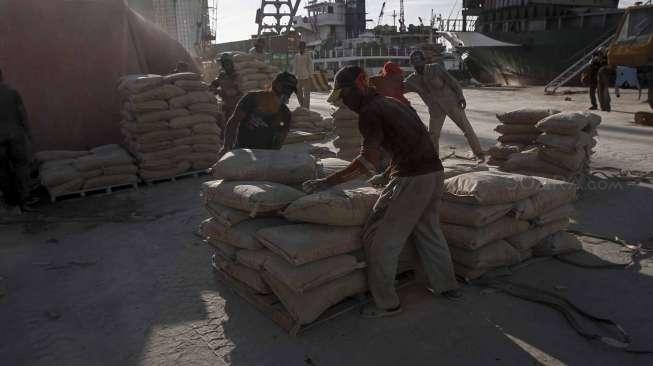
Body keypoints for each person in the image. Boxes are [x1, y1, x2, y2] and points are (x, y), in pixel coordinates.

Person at [303, 66, 460, 318]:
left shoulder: (369, 112)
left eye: (345, 95)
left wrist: (327, 182)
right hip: (434, 172)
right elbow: (412, 141)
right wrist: (387, 174)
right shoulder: (393, 103)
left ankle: (387, 304)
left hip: (413, 179)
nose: (344, 102)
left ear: (360, 84)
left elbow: (367, 161)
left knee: (380, 242)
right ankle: (447, 286)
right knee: (429, 231)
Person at [405, 50, 484, 159]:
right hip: (435, 110)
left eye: (419, 63)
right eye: (415, 65)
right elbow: (398, 87)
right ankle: (434, 160)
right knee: (433, 136)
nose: (418, 67)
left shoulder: (436, 68)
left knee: (467, 129)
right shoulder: (412, 80)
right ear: (412, 65)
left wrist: (461, 97)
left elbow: (452, 81)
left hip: (452, 104)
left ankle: (479, 154)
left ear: (424, 61)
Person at [217, 72, 298, 158]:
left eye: (290, 89)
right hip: (242, 151)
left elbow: (279, 140)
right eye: (285, 87)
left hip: (263, 157)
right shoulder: (252, 99)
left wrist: (272, 158)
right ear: (275, 84)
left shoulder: (285, 114)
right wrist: (226, 147)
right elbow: (233, 122)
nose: (287, 92)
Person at [0, 68, 35, 213]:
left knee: (2, 171)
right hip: (16, 136)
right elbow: (23, 115)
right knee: (21, 168)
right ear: (1, 76)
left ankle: (11, 202)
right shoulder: (12, 93)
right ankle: (24, 201)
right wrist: (29, 134)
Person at [210, 53, 243, 124]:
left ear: (231, 64)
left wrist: (218, 92)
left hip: (236, 106)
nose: (225, 66)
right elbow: (214, 84)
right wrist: (212, 87)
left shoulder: (236, 76)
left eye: (227, 63)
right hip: (227, 106)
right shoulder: (222, 75)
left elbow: (233, 92)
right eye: (224, 64)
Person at [293, 41, 314, 109]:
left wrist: (310, 75)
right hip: (298, 77)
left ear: (304, 47)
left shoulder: (308, 54)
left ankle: (306, 107)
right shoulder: (296, 55)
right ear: (299, 47)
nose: (301, 48)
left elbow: (310, 65)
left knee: (307, 93)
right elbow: (295, 66)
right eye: (300, 46)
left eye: (302, 46)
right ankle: (302, 105)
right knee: (298, 92)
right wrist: (294, 75)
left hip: (306, 76)